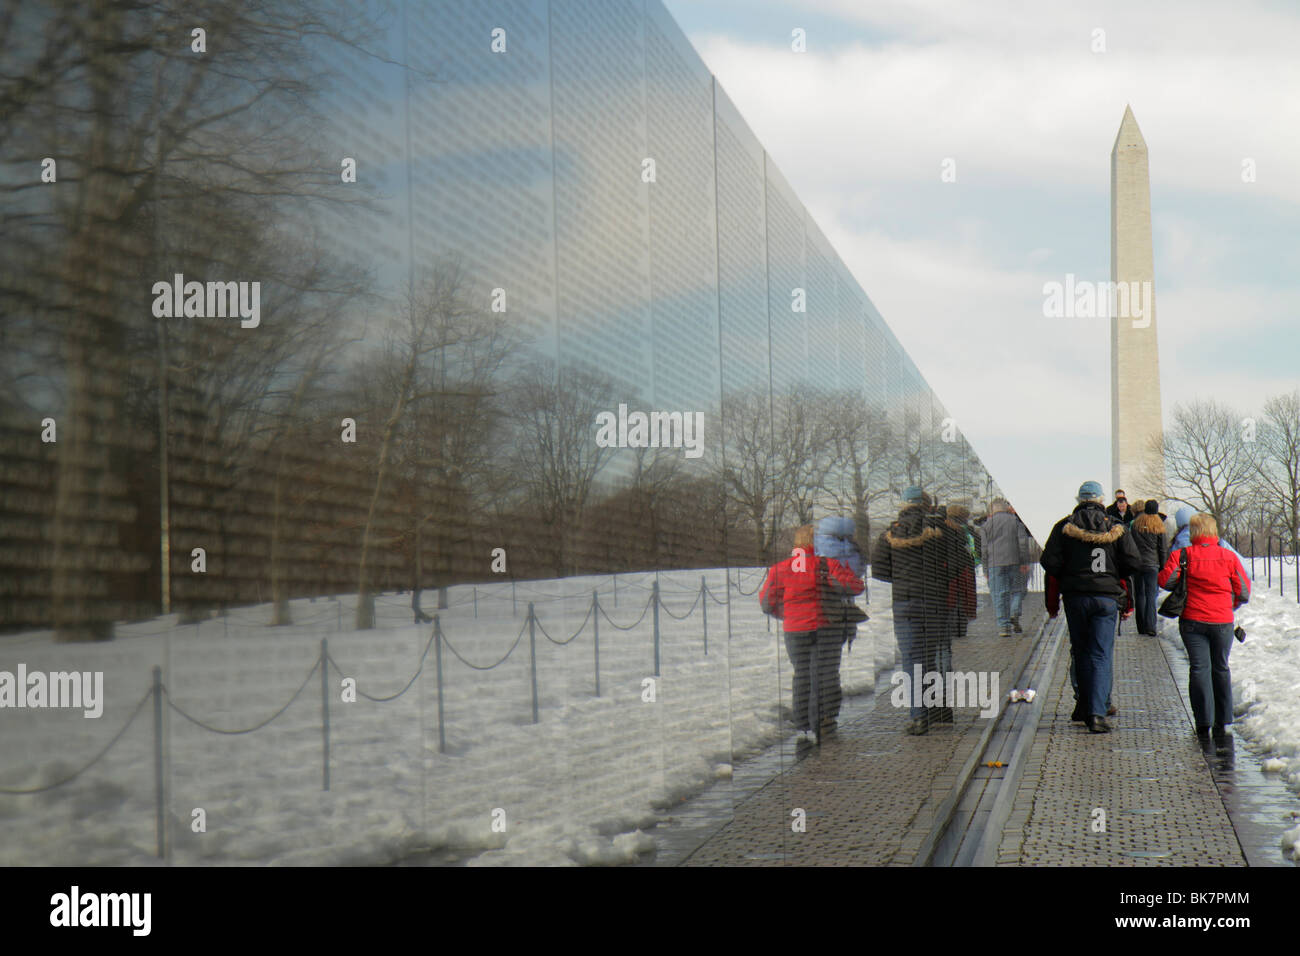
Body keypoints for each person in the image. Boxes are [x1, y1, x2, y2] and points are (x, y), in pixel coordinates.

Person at [1040, 481, 1141, 734]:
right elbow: (1133, 561)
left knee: (1081, 651)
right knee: (1100, 654)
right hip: (1106, 598)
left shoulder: (1064, 527)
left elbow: (1048, 561)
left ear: (1079, 499)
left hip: (1075, 597)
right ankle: (1097, 712)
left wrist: (1068, 575)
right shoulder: (1115, 527)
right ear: (1100, 500)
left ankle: (1084, 705)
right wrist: (1113, 573)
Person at [760, 525, 864, 744]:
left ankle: (803, 724)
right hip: (825, 627)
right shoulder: (826, 565)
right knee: (825, 674)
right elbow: (854, 586)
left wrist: (788, 614)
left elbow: (767, 603)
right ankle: (825, 720)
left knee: (802, 674)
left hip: (795, 630)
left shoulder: (780, 568)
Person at [1158, 513, 1250, 745]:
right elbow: (1244, 591)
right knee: (1220, 667)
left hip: (1192, 620)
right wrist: (1231, 604)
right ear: (1213, 531)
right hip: (1222, 621)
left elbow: (1165, 581)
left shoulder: (1183, 555)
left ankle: (1203, 721)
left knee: (1199, 668)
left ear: (1194, 533)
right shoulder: (1228, 557)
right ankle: (1224, 720)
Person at [872, 487, 950, 735]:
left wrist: (903, 579)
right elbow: (955, 561)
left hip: (905, 603)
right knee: (931, 655)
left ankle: (918, 716)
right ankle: (935, 708)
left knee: (911, 659)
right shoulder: (939, 531)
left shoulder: (889, 533)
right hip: (934, 601)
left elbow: (879, 571)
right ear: (926, 505)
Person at [813, 515, 867, 734]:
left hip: (816, 612)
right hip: (842, 612)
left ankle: (813, 711)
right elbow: (857, 576)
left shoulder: (816, 549)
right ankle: (829, 714)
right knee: (831, 667)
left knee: (812, 667)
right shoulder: (853, 551)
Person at [982, 498, 1035, 637]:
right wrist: (1024, 562)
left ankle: (1003, 626)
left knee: (1000, 594)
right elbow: (1023, 543)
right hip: (1015, 561)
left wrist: (985, 569)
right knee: (1017, 590)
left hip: (994, 563)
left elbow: (983, 549)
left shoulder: (986, 525)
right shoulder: (1015, 522)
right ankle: (1014, 612)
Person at [1130, 499, 1169, 636]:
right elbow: (1163, 548)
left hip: (1138, 564)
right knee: (1151, 595)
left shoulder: (1137, 524)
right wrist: (1163, 565)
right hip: (1153, 565)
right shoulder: (1159, 526)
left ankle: (1141, 626)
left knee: (1139, 595)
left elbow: (1131, 545)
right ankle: (1151, 626)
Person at [945, 504, 979, 639]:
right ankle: (961, 628)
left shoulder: (943, 528)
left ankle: (954, 627)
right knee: (964, 599)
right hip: (965, 568)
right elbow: (975, 549)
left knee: (952, 599)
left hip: (948, 568)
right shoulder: (967, 531)